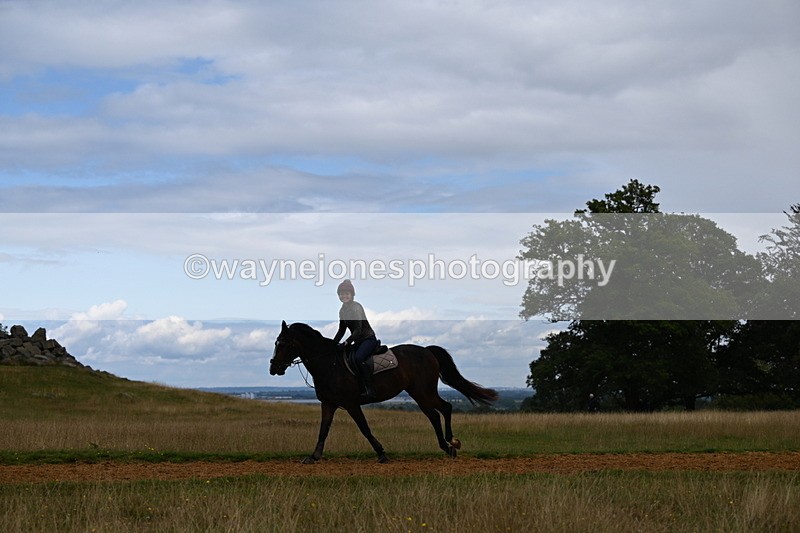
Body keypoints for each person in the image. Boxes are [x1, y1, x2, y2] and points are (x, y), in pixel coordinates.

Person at [332, 279, 379, 399]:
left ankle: (369, 389)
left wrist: (346, 342)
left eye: (347, 293)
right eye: (342, 294)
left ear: (352, 295)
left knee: (358, 358)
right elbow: (341, 330)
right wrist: (332, 344)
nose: (344, 296)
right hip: (358, 342)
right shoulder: (342, 310)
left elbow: (358, 330)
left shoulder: (356, 307)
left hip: (368, 339)